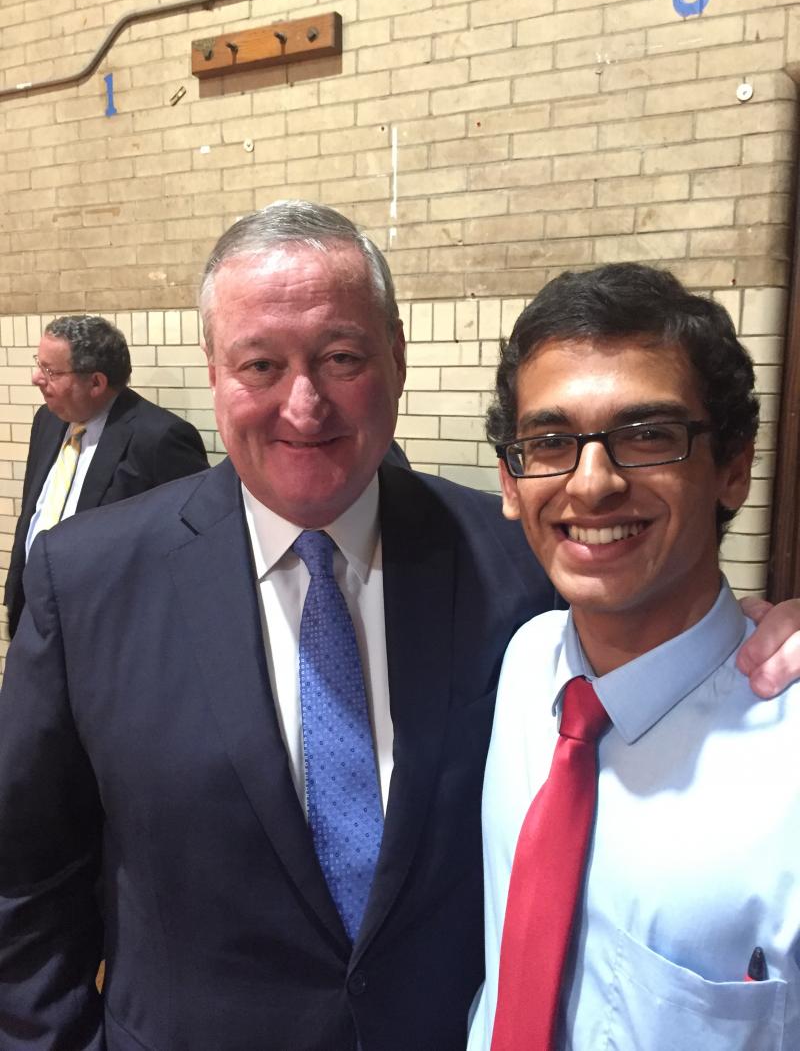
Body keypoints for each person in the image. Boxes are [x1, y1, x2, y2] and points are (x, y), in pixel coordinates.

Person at [0, 207, 797, 1051]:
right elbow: (24, 882)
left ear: (398, 359)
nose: (304, 403)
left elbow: (661, 621)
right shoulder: (87, 581)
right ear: (215, 372)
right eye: (261, 364)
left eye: (341, 358)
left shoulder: (519, 573)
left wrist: (760, 632)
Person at [467, 263, 800, 1051]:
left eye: (648, 435)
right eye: (551, 442)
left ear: (733, 467)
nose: (592, 484)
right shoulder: (524, 664)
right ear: (512, 483)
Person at [3, 314, 209, 638]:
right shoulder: (48, 419)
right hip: (33, 616)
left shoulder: (160, 439)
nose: (36, 378)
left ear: (96, 383)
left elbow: (195, 552)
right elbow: (35, 513)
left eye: (51, 371)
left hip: (108, 629)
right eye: (39, 365)